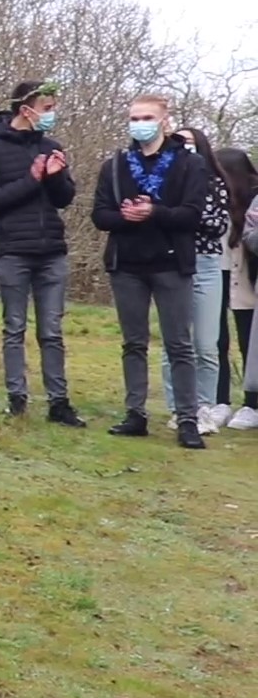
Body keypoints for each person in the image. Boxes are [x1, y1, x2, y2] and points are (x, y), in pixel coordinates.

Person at [90, 94, 208, 449]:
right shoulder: (115, 165)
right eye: (134, 118)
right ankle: (135, 413)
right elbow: (100, 215)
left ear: (164, 120)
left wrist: (155, 212)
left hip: (171, 264)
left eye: (147, 117)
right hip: (127, 264)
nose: (139, 124)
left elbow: (192, 215)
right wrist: (125, 216)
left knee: (179, 344)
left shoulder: (190, 164)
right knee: (133, 342)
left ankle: (187, 419)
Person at [0, 81, 82, 426]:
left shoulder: (51, 147)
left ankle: (59, 403)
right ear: (26, 110)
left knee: (52, 331)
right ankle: (17, 399)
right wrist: (32, 179)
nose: (52, 115)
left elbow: (64, 198)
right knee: (14, 327)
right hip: (12, 251)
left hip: (51, 251)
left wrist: (55, 177)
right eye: (47, 108)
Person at [160, 127, 230, 432]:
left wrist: (183, 214)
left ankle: (203, 408)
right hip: (172, 261)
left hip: (207, 264)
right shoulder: (164, 179)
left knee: (206, 344)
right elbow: (159, 218)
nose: (184, 147)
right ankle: (178, 408)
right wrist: (177, 215)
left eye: (189, 142)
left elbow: (217, 225)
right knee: (175, 343)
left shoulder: (215, 183)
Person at [219, 147, 258, 428]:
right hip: (221, 276)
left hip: (247, 279)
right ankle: (218, 400)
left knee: (250, 342)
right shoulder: (213, 202)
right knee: (217, 340)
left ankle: (252, 402)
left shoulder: (252, 201)